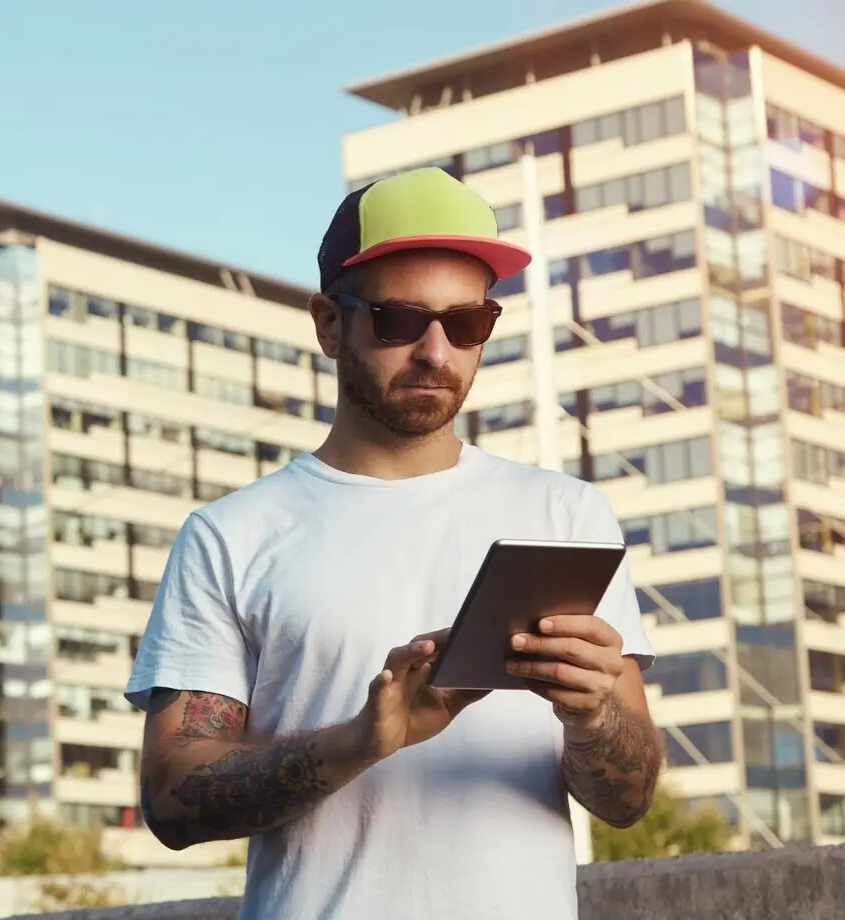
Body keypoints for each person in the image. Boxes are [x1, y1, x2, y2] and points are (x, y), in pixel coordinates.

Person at [126, 167, 662, 919]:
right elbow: (173, 799)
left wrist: (592, 715)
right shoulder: (231, 536)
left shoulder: (565, 515)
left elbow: (628, 800)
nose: (437, 352)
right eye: (399, 321)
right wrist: (360, 741)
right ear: (327, 324)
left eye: (467, 323)